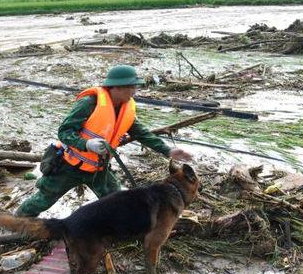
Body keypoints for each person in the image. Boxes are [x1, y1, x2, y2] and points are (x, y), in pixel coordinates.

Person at [15, 65, 194, 217]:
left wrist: (168, 151)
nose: (134, 91)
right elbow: (65, 131)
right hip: (69, 167)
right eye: (131, 87)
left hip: (99, 169)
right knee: (43, 200)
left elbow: (143, 134)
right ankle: (17, 220)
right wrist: (86, 144)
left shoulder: (126, 108)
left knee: (118, 201)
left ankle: (117, 231)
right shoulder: (89, 103)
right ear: (116, 87)